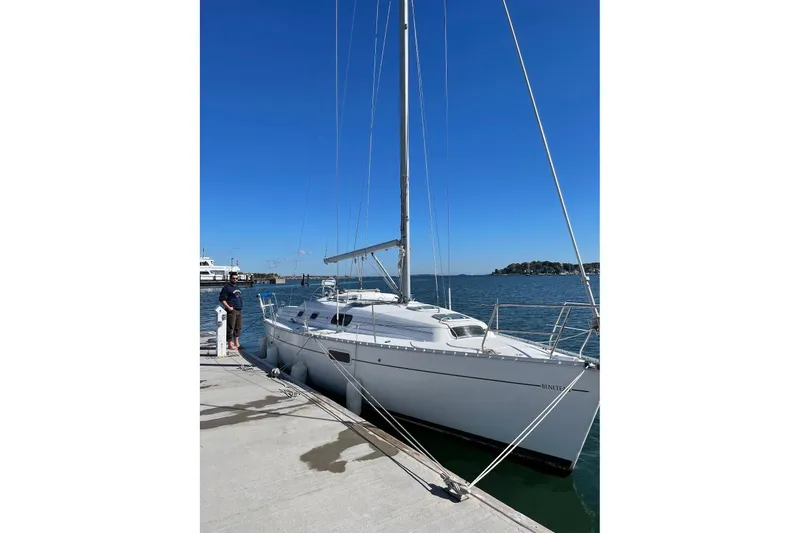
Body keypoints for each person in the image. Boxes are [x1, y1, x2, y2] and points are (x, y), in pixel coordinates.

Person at [219, 272, 243, 350]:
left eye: (236, 278)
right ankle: (229, 344)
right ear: (230, 278)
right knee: (230, 327)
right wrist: (229, 308)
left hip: (239, 309)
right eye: (233, 278)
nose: (235, 280)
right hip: (231, 310)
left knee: (238, 327)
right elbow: (222, 299)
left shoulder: (237, 287)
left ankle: (236, 343)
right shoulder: (226, 288)